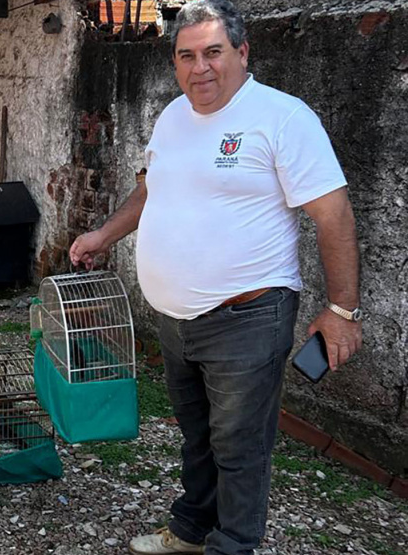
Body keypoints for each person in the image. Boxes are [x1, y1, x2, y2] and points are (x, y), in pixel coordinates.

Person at [69, 1, 362, 554]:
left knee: (239, 445)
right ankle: (191, 530)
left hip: (247, 315)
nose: (199, 68)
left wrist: (342, 310)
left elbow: (334, 213)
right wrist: (105, 236)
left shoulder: (283, 117)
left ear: (242, 52)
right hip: (177, 319)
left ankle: (232, 544)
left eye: (213, 53)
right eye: (186, 56)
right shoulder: (173, 115)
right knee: (199, 438)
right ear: (174, 63)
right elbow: (149, 188)